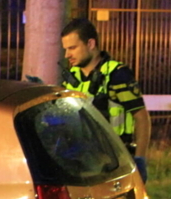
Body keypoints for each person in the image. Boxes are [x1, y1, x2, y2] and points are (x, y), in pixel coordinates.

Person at [60, 18, 152, 182]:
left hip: (116, 162)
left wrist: (140, 160)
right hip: (83, 163)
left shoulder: (117, 75)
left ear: (91, 44)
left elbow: (141, 117)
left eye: (72, 48)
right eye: (66, 49)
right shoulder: (72, 77)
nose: (67, 55)